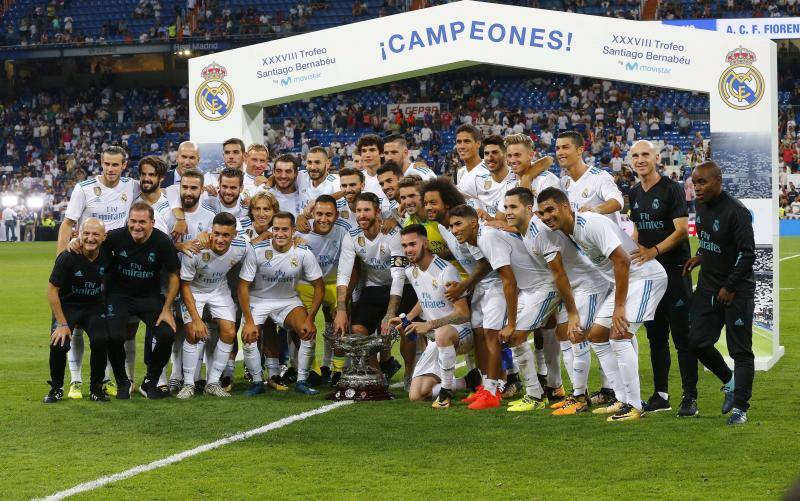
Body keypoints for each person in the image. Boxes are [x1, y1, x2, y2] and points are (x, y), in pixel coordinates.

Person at [537, 187, 668, 422]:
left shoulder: (591, 224)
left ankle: (635, 406)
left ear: (566, 207)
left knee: (619, 335)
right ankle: (621, 398)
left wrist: (618, 307)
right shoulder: (571, 230)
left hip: (646, 277)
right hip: (628, 281)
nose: (547, 216)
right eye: (542, 213)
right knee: (597, 335)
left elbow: (622, 260)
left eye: (551, 209)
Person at [628, 140, 698, 417]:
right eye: (635, 156)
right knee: (656, 338)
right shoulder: (633, 193)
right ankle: (661, 395)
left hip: (674, 270)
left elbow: (682, 230)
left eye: (645, 154)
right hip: (648, 275)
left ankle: (690, 397)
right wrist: (632, 253)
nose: (640, 159)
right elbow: (637, 230)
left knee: (683, 338)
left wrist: (653, 251)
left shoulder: (672, 188)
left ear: (657, 158)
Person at [58, 146, 135, 397]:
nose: (111, 169)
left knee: (107, 325)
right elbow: (68, 223)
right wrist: (63, 260)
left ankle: (107, 378)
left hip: (115, 265)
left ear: (124, 165)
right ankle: (76, 380)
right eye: (107, 164)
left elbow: (159, 193)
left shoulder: (131, 187)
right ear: (100, 163)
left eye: (116, 165)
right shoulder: (84, 188)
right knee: (78, 325)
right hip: (86, 258)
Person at [683, 161, 756, 426]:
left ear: (718, 181)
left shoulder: (737, 212)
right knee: (696, 341)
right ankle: (729, 382)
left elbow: (747, 253)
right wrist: (700, 257)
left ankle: (740, 409)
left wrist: (730, 286)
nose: (696, 188)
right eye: (694, 182)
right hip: (708, 287)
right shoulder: (700, 206)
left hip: (736, 292)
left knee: (740, 351)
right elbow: (712, 243)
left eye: (702, 182)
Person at [555, 131, 624, 404]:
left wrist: (595, 210)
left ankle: (591, 394)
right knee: (600, 332)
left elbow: (617, 201)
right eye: (557, 148)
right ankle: (608, 390)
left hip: (607, 265)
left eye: (566, 147)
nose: (560, 152)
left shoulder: (598, 177)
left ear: (580, 149)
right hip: (586, 266)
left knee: (593, 331)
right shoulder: (564, 183)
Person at [239, 211, 326, 395]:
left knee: (307, 331)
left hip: (288, 301)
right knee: (248, 335)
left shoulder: (303, 253)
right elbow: (242, 287)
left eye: (285, 229)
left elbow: (319, 287)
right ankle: (256, 382)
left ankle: (302, 380)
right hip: (258, 300)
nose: (280, 233)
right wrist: (248, 321)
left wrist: (310, 318)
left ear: (293, 230)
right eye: (276, 229)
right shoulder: (257, 250)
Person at [388, 224, 474, 409]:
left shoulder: (446, 270)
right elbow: (424, 297)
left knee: (442, 333)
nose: (408, 250)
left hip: (460, 332)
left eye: (412, 244)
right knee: (416, 394)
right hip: (437, 337)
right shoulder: (412, 271)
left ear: (425, 243)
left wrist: (430, 324)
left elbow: (463, 313)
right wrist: (410, 317)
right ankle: (467, 381)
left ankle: (446, 392)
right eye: (404, 245)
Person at [101, 202, 180, 399]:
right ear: (128, 220)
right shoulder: (114, 237)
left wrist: (167, 309)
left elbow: (174, 276)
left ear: (152, 222)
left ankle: (150, 382)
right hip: (119, 296)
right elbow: (90, 247)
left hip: (149, 297)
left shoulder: (162, 242)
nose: (137, 226)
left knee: (166, 334)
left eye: (142, 222)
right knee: (114, 337)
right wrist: (74, 242)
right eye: (133, 221)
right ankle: (122, 382)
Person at [46, 218, 125, 403]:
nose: (90, 238)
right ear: (78, 234)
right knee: (59, 342)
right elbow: (51, 291)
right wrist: (62, 323)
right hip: (68, 305)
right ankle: (56, 388)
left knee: (101, 340)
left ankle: (96, 389)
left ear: (104, 237)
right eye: (86, 233)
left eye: (95, 234)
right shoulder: (68, 256)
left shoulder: (108, 256)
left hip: (93, 305)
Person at [177, 212, 249, 398]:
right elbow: (184, 285)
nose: (220, 239)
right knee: (193, 331)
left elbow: (259, 244)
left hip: (219, 290)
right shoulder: (196, 249)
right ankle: (188, 384)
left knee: (230, 332)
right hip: (193, 290)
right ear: (211, 231)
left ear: (234, 236)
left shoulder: (242, 246)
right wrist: (196, 319)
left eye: (226, 235)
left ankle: (213, 382)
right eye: (216, 233)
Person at [334, 192, 405, 379]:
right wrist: (341, 308)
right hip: (373, 287)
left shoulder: (392, 234)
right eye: (358, 211)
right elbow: (343, 274)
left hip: (401, 288)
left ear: (378, 212)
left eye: (366, 210)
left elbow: (398, 275)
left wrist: (390, 313)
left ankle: (410, 375)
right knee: (357, 329)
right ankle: (378, 376)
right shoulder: (352, 236)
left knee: (406, 328)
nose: (362, 215)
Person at [295, 195, 352, 384]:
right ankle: (313, 370)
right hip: (306, 284)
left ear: (337, 215)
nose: (323, 219)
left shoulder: (345, 230)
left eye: (329, 214)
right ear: (312, 213)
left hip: (334, 283)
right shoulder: (300, 231)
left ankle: (337, 370)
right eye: (319, 214)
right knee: (303, 327)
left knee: (339, 323)